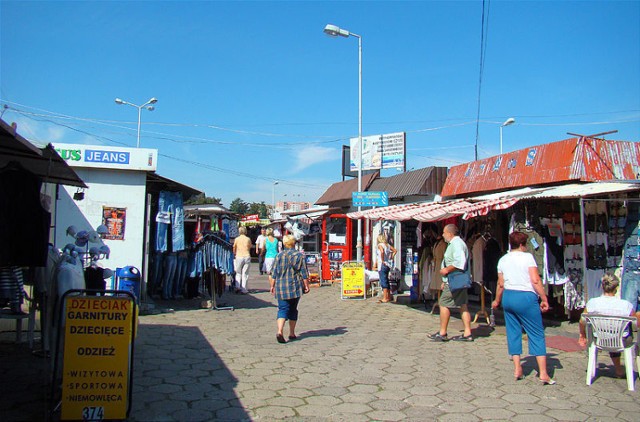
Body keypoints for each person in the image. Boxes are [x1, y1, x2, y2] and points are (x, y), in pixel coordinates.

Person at [491, 231, 555, 384]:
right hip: (525, 297)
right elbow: (535, 280)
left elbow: (501, 284)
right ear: (521, 244)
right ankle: (543, 373)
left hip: (509, 296)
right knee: (536, 332)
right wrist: (544, 298)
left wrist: (496, 300)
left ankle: (517, 368)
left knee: (513, 331)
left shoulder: (503, 260)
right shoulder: (527, 258)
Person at [578, 273, 637, 378]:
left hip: (599, 339)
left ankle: (616, 368)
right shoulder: (625, 305)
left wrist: (582, 335)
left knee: (604, 331)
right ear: (617, 288)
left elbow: (582, 321)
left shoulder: (593, 303)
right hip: (621, 341)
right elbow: (636, 324)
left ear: (602, 286)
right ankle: (619, 369)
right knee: (622, 331)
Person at [428, 224, 473, 342]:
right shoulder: (455, 244)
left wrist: (446, 270)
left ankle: (443, 332)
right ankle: (467, 333)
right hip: (456, 280)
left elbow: (460, 262)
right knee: (462, 304)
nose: (442, 235)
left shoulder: (457, 244)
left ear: (450, 233)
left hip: (455, 279)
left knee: (443, 303)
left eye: (444, 233)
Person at [270, 234, 310, 344]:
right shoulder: (299, 256)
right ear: (294, 243)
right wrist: (306, 285)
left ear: (284, 243)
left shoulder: (279, 256)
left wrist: (272, 286)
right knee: (293, 309)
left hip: (281, 286)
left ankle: (279, 331)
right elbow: (304, 273)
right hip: (294, 286)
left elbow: (273, 273)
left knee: (282, 309)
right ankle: (292, 333)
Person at [376, 233, 397, 303]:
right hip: (387, 264)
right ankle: (389, 296)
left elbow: (382, 251)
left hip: (382, 265)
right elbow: (395, 251)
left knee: (383, 281)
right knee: (386, 280)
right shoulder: (387, 245)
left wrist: (382, 260)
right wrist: (391, 257)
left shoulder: (380, 245)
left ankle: (385, 297)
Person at [232, 226, 252, 294]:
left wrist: (234, 253)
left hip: (239, 256)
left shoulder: (237, 239)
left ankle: (238, 287)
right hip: (246, 255)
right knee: (245, 273)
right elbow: (250, 247)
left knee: (238, 273)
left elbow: (234, 247)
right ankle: (244, 289)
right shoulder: (248, 239)